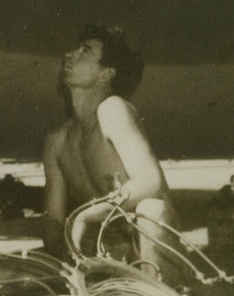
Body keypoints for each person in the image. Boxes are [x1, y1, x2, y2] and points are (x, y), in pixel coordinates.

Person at [41, 24, 182, 281]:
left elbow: (151, 183)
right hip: (101, 250)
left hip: (147, 246)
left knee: (152, 210)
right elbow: (53, 220)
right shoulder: (56, 141)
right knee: (4, 274)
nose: (70, 55)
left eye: (85, 51)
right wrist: (64, 255)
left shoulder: (113, 110)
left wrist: (85, 216)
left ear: (105, 74)